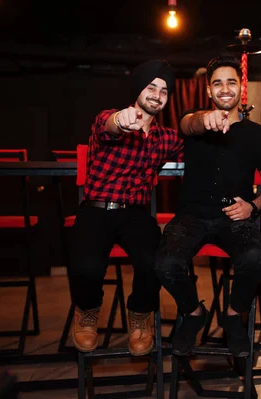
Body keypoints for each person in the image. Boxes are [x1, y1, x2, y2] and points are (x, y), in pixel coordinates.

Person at [155, 55, 261, 358]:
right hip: (192, 215)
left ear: (241, 88)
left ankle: (234, 316)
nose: (225, 89)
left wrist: (252, 205)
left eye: (231, 82)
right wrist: (205, 120)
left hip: (234, 215)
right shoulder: (194, 122)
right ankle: (193, 312)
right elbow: (188, 123)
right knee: (165, 263)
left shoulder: (258, 133)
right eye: (217, 83)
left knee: (254, 258)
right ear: (209, 91)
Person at [69, 59, 183, 356]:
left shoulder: (166, 138)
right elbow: (109, 125)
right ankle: (88, 311)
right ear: (138, 90)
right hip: (95, 208)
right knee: (86, 265)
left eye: (164, 91)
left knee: (153, 261)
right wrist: (121, 121)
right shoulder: (108, 118)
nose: (157, 95)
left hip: (134, 212)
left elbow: (196, 144)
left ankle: (141, 314)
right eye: (151, 87)